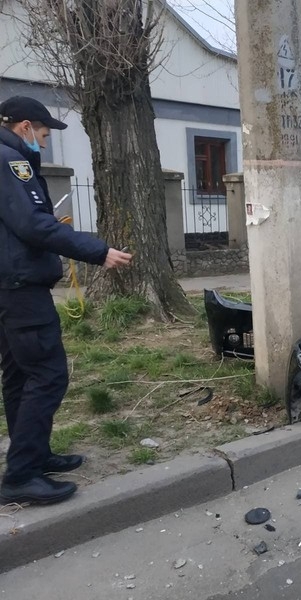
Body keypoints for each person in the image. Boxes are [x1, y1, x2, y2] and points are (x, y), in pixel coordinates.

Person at [0, 96, 132, 505]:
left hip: (8, 284)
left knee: (21, 375)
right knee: (47, 374)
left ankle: (33, 456)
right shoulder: (10, 161)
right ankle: (21, 475)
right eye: (42, 133)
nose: (43, 140)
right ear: (24, 127)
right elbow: (34, 225)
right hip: (20, 287)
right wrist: (96, 250)